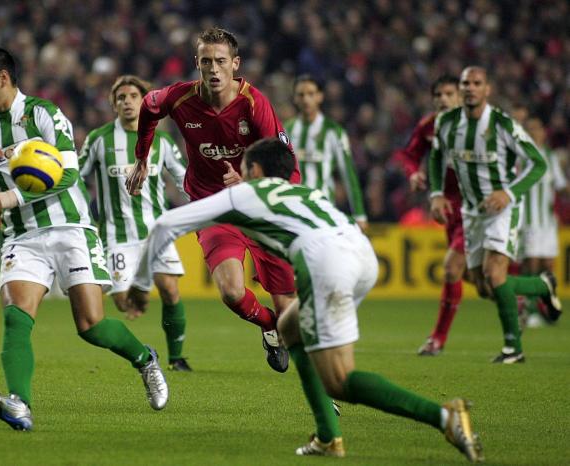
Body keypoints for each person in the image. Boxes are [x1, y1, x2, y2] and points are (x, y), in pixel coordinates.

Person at [131, 138, 484, 462]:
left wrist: (139, 284)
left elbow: (166, 225)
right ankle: (328, 438)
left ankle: (444, 417)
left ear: (253, 170)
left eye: (243, 168)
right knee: (289, 327)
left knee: (340, 381)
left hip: (327, 264)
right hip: (362, 255)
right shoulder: (304, 192)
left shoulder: (246, 192)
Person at [0, 47, 168, 431]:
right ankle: (19, 404)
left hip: (71, 229)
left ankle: (145, 359)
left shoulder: (44, 114)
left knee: (91, 325)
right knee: (16, 318)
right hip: (22, 236)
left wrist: (10, 196)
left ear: (2, 78)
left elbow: (69, 175)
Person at [126, 27, 300, 373]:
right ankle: (268, 326)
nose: (214, 69)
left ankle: (316, 382)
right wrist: (142, 157)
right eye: (206, 61)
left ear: (235, 64)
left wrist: (252, 183)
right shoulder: (180, 98)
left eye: (221, 61)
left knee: (290, 313)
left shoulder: (255, 105)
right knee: (232, 292)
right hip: (212, 207)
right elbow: (148, 107)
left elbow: (289, 168)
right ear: (197, 64)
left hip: (258, 209)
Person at [429, 66, 562, 364]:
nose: (470, 88)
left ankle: (513, 348)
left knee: (495, 273)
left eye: (477, 83)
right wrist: (436, 193)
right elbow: (437, 155)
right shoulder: (447, 123)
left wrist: (508, 193)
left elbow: (538, 164)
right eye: (466, 83)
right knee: (483, 285)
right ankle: (542, 285)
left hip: (504, 209)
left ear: (487, 89)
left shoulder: (502, 125)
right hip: (472, 211)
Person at [79, 75, 192, 371]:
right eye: (121, 97)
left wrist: (207, 205)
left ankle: (177, 357)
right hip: (116, 236)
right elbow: (76, 178)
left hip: (156, 232)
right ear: (114, 104)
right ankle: (143, 352)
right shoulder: (99, 139)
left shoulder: (162, 141)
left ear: (144, 101)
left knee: (170, 290)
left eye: (133, 96)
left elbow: (184, 180)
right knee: (123, 304)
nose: (127, 101)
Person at [393, 75, 464, 356]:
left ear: (459, 97)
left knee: (452, 269)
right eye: (439, 94)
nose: (444, 99)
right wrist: (414, 173)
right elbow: (409, 155)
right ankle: (535, 289)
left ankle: (438, 338)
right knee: (481, 280)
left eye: (449, 94)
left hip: (475, 206)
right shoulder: (429, 126)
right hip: (446, 206)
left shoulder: (476, 126)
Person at [285, 74, 367, 230]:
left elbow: (348, 174)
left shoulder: (334, 131)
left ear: (320, 97)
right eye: (301, 95)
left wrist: (360, 215)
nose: (305, 99)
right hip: (293, 210)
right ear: (295, 98)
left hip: (323, 210)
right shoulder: (286, 130)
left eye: (311, 94)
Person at [519, 116, 568, 327]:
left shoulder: (550, 157)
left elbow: (560, 186)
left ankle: (546, 308)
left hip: (547, 222)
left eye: (536, 128)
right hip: (527, 221)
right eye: (529, 129)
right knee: (531, 264)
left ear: (543, 132)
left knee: (547, 265)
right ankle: (529, 310)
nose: (533, 133)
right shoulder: (520, 158)